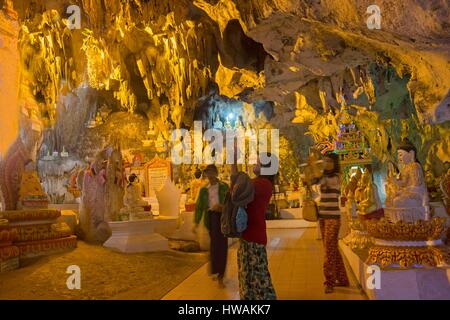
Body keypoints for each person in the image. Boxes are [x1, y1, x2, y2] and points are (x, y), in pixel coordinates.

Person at [232, 153, 277, 300]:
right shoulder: (257, 182)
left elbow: (236, 192)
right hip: (248, 235)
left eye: (258, 163)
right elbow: (236, 189)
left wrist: (233, 162)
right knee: (248, 278)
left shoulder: (262, 184)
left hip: (253, 237)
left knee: (259, 280)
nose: (254, 164)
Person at [316, 152, 349, 293]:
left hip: (333, 219)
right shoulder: (322, 177)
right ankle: (342, 279)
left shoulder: (336, 177)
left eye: (329, 161)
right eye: (325, 161)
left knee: (329, 251)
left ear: (335, 163)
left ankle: (329, 282)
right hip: (323, 217)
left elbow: (325, 183)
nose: (326, 163)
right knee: (331, 249)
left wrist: (317, 173)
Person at [194, 164, 229, 287]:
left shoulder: (224, 187)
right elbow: (199, 207)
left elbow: (231, 202)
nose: (209, 175)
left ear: (216, 172)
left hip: (223, 218)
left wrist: (222, 207)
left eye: (211, 172)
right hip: (211, 218)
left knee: (222, 246)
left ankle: (221, 275)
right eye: (207, 173)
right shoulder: (204, 189)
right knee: (214, 245)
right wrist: (196, 222)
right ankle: (216, 270)